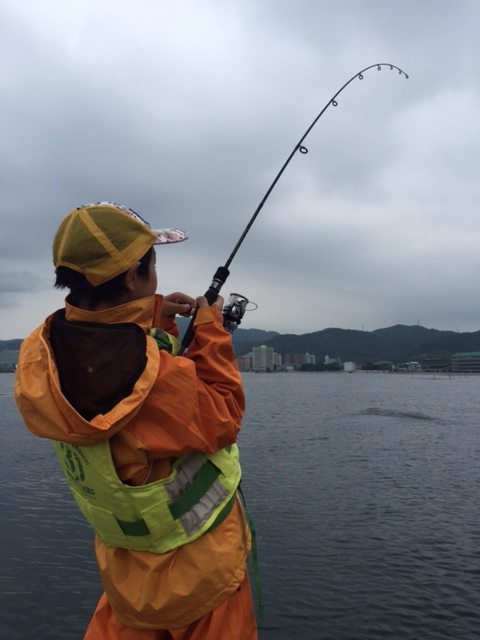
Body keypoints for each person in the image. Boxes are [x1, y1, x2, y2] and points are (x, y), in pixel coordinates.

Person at [14, 201, 258, 640]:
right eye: (153, 265)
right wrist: (211, 328)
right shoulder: (151, 378)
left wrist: (156, 314)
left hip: (127, 577)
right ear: (132, 276)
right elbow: (224, 412)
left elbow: (107, 339)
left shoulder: (40, 353)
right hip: (199, 574)